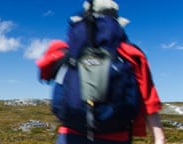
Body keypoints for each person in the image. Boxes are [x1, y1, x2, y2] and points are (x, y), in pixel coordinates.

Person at [36, 0, 165, 143]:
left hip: (70, 135)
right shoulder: (130, 53)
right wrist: (159, 138)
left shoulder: (66, 51)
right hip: (116, 137)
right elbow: (149, 101)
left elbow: (44, 71)